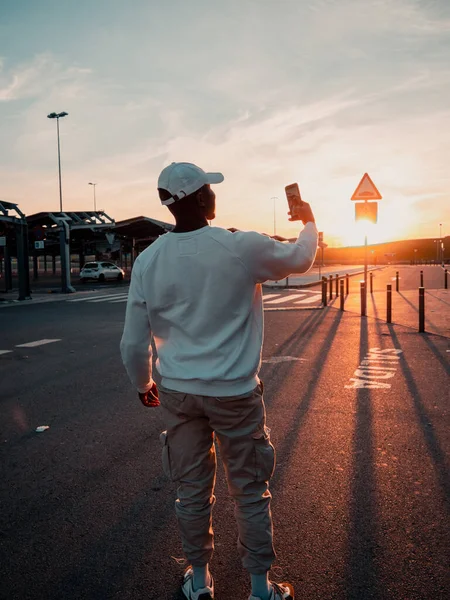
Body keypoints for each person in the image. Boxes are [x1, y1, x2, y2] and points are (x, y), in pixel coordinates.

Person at [120, 162, 318, 600]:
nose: (213, 193)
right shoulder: (238, 246)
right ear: (203, 199)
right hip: (234, 391)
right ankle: (260, 589)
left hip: (177, 392)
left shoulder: (148, 261)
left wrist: (142, 383)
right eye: (209, 188)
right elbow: (302, 258)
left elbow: (133, 343)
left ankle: (198, 580)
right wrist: (307, 219)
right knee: (249, 490)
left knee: (191, 490)